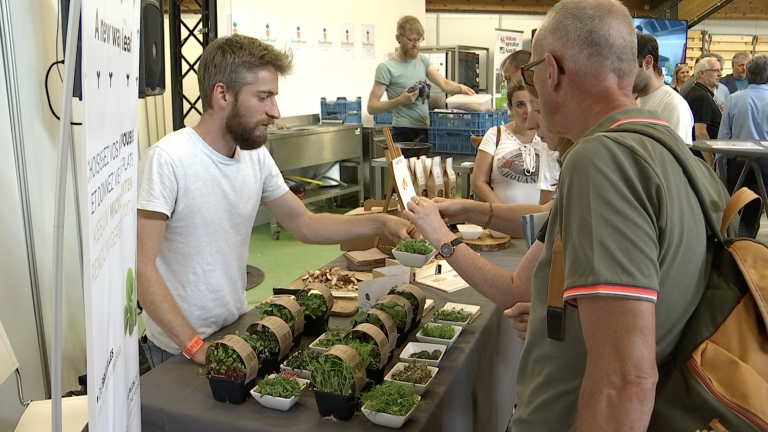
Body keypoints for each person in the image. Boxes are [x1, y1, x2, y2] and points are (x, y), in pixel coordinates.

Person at [511, 0, 730, 429]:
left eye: (532, 71)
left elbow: (624, 378)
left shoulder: (601, 160)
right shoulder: (665, 147)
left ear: (551, 71)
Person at [137, 35, 415, 367]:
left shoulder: (254, 156)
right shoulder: (167, 160)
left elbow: (306, 224)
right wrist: (195, 347)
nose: (275, 111)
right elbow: (141, 267)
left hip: (232, 331)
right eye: (263, 97)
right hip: (178, 350)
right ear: (222, 94)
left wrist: (382, 223)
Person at [403, 88, 570, 339]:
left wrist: (440, 236)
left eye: (538, 110)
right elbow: (542, 213)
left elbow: (514, 292)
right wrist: (467, 209)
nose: (531, 123)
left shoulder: (583, 168)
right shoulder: (578, 161)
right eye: (523, 107)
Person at [367, 16, 475, 143]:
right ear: (398, 38)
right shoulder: (386, 68)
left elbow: (444, 83)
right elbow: (372, 107)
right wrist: (400, 100)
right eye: (411, 40)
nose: (416, 45)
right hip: (403, 131)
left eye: (419, 40)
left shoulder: (422, 60)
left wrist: (461, 88)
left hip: (424, 129)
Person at [473, 79, 559, 205]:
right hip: (501, 216)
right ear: (510, 107)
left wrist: (543, 214)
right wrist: (502, 212)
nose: (527, 111)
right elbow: (478, 183)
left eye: (532, 104)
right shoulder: (495, 135)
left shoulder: (549, 137)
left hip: (542, 215)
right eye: (520, 105)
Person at [718, 54, 768, 194]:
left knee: (738, 204)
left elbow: (723, 136)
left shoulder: (733, 99)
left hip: (738, 162)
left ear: (747, 74)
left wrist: (719, 169)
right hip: (766, 161)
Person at [633, 32, 694, 144]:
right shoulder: (636, 100)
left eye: (628, 66)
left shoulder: (674, 105)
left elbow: (676, 153)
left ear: (647, 62)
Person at [685, 57, 722, 166]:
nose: (720, 74)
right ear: (702, 73)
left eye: (720, 70)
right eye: (716, 70)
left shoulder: (700, 92)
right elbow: (700, 133)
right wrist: (710, 162)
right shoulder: (700, 97)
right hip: (702, 159)